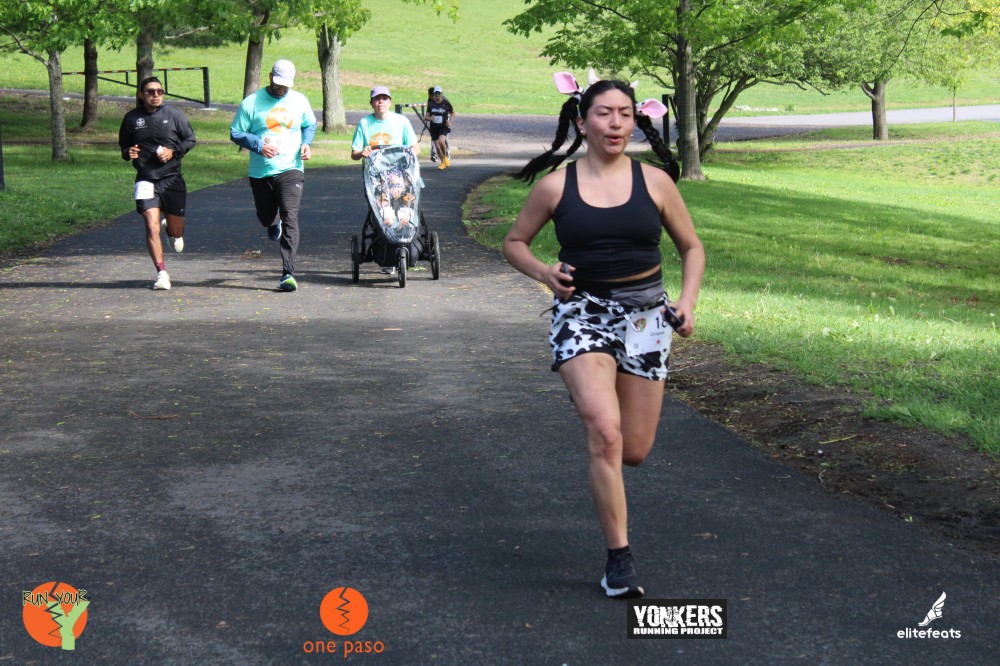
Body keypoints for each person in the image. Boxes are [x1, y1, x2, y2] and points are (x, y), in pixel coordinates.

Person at [501, 76, 705, 600]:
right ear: (581, 121)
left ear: (636, 121)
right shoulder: (556, 186)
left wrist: (687, 302)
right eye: (604, 113)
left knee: (633, 449)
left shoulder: (656, 182)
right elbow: (515, 242)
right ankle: (619, 560)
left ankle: (604, 416)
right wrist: (545, 273)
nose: (616, 123)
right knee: (606, 433)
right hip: (583, 314)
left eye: (625, 114)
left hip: (646, 320)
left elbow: (692, 247)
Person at [230, 59, 317, 292]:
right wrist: (258, 145)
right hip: (261, 172)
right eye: (278, 83)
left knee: (291, 216)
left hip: (291, 168)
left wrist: (306, 143)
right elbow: (235, 132)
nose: (281, 88)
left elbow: (310, 124)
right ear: (270, 77)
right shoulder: (252, 103)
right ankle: (272, 223)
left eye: (286, 84)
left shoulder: (300, 101)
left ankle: (288, 273)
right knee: (266, 216)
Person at [118, 76, 196, 291]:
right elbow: (124, 146)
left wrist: (173, 152)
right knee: (150, 225)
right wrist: (128, 152)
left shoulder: (175, 115)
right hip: (146, 178)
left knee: (177, 231)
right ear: (141, 95)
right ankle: (161, 273)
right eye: (151, 92)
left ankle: (171, 230)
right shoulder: (131, 118)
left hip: (172, 179)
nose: (156, 95)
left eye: (159, 91)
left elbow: (190, 139)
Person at [351, 86, 419, 160]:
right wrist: (362, 153)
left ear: (390, 102)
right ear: (371, 103)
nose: (381, 101)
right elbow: (354, 154)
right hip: (372, 166)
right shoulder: (364, 123)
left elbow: (416, 148)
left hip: (398, 166)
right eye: (377, 98)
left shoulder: (402, 121)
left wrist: (407, 155)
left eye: (385, 98)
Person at [424, 85, 454, 169]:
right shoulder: (430, 103)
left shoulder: (445, 102)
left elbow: (452, 112)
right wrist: (430, 118)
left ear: (441, 94)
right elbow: (426, 116)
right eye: (435, 94)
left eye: (438, 93)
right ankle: (443, 162)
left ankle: (445, 156)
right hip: (434, 127)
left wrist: (450, 121)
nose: (437, 95)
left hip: (443, 126)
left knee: (441, 141)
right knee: (437, 147)